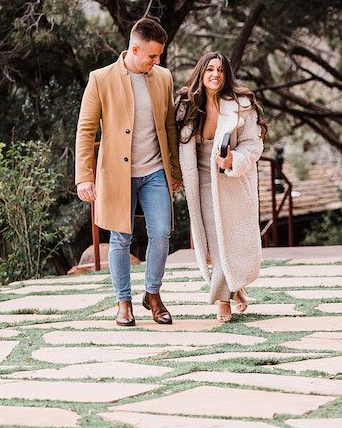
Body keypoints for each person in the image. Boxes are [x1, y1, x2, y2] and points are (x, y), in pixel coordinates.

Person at [74, 18, 182, 326]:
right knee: (120, 239)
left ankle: (153, 294)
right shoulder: (101, 78)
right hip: (117, 176)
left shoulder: (163, 77)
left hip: (155, 171)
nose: (156, 61)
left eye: (159, 56)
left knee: (161, 233)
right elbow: (85, 129)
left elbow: (170, 126)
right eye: (151, 56)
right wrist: (84, 176)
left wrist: (174, 170)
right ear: (134, 49)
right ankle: (124, 302)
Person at [176, 52, 266, 322]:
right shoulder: (185, 106)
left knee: (231, 241)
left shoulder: (242, 105)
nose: (215, 74)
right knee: (215, 243)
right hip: (201, 181)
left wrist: (233, 159)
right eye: (209, 70)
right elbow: (175, 145)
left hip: (232, 180)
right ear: (201, 74)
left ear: (226, 75)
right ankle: (232, 288)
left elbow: (253, 144)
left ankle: (222, 300)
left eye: (220, 70)